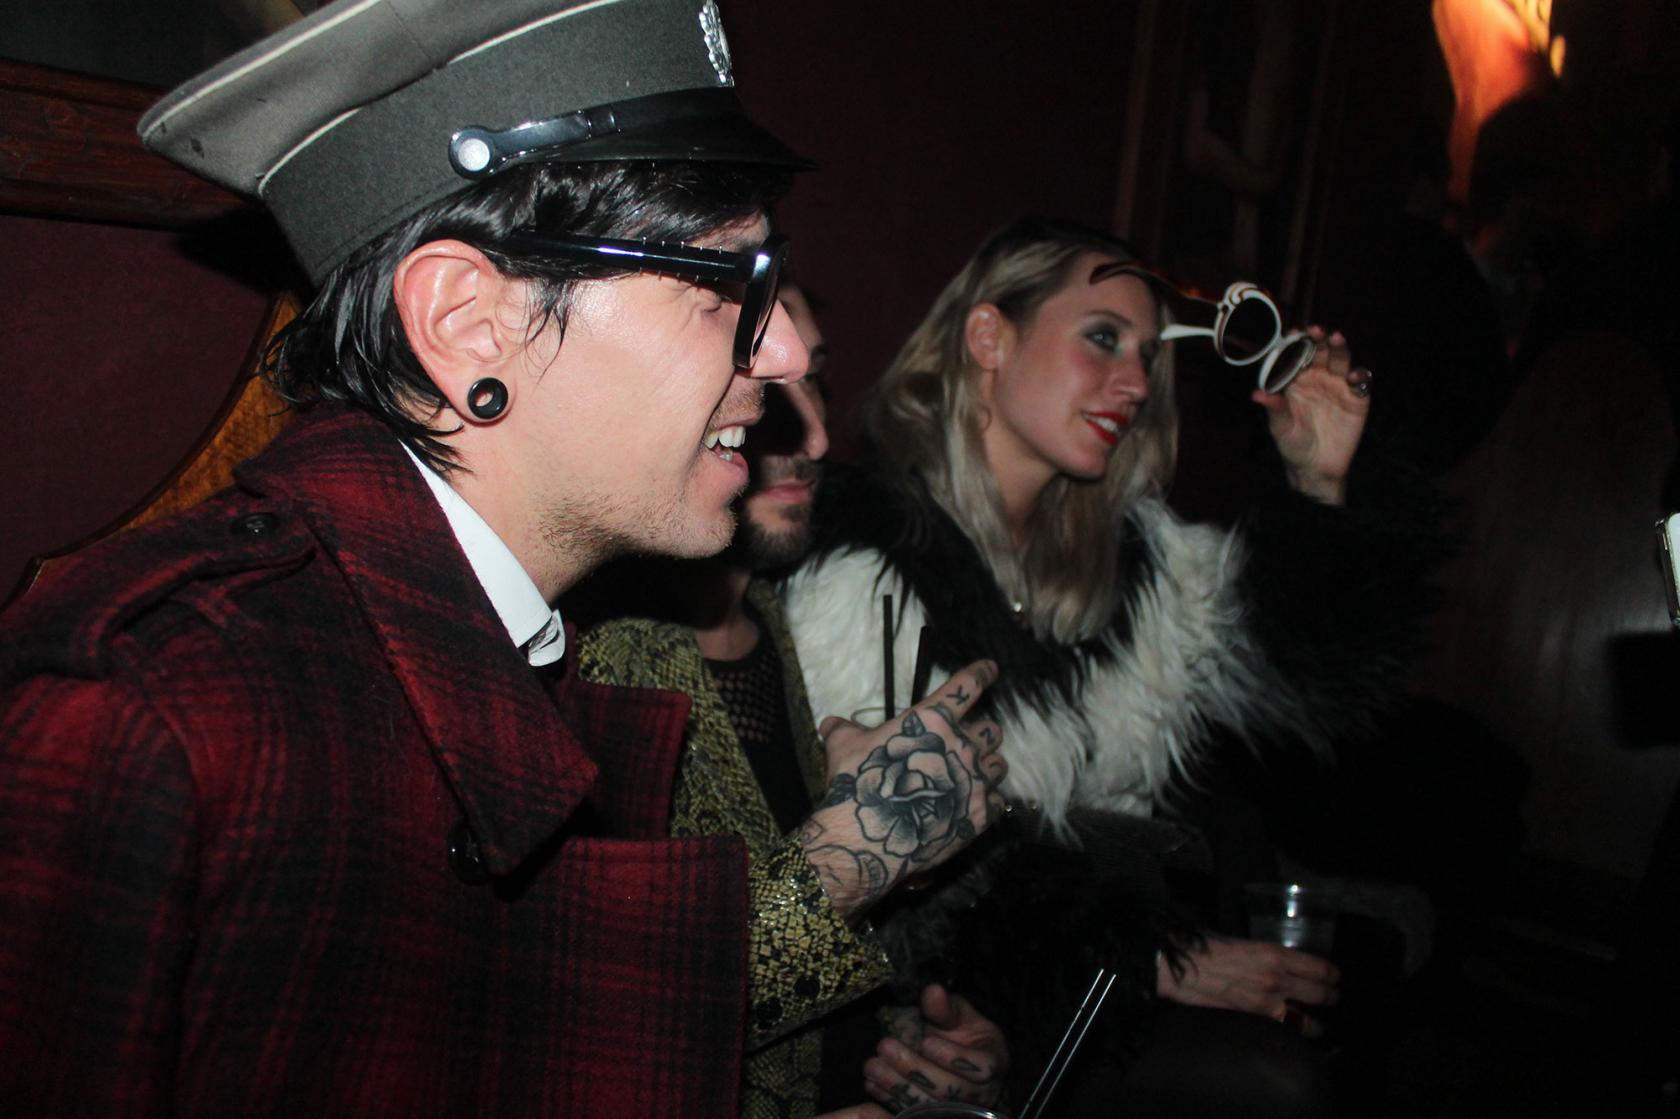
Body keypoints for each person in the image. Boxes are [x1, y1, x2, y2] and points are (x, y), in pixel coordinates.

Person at [0, 2, 1004, 1114]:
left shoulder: (508, 648)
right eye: (725, 284)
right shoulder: (152, 709)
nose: (787, 349)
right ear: (468, 321)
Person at [783, 216, 1440, 1113]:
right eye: (1102, 338)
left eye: (1147, 354)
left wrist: (1320, 483)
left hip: (1088, 982)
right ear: (989, 337)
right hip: (937, 1003)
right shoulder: (868, 566)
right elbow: (898, 887)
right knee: (1274, 1081)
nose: (1134, 382)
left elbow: (1319, 681)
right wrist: (1148, 959)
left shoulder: (1144, 565)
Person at [575, 285, 1010, 1117]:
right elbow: (607, 1026)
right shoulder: (586, 657)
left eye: (813, 380)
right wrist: (859, 848)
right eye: (762, 385)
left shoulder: (779, 618)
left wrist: (917, 1047)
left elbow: (796, 973)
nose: (811, 436)